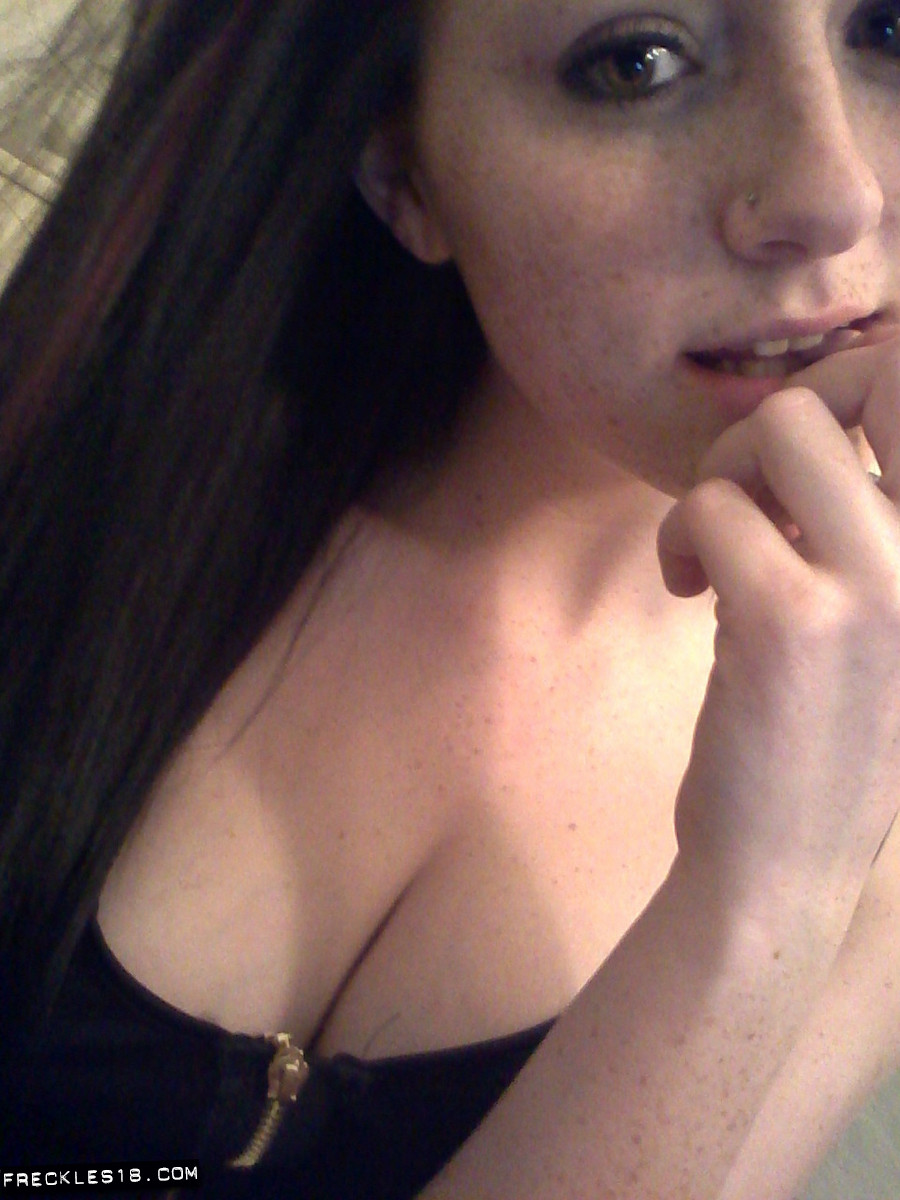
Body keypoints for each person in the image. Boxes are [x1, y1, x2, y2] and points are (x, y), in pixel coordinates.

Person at [2, 0, 900, 1196]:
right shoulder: (66, 489)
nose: (834, 194)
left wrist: (777, 886)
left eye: (892, 30)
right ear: (404, 173)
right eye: (637, 62)